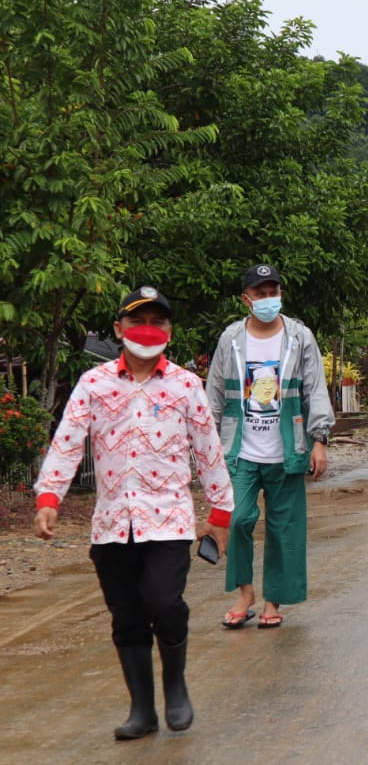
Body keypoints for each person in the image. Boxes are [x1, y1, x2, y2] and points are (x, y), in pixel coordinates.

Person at [33, 287, 233, 739]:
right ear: (118, 329)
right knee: (126, 616)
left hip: (168, 520)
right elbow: (67, 443)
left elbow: (209, 451)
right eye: (137, 321)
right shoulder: (94, 384)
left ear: (170, 331)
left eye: (157, 322)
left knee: (164, 603)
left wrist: (221, 513)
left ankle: (176, 686)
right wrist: (49, 499)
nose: (147, 330)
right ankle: (142, 711)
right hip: (111, 525)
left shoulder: (186, 385)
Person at [206, 264, 334, 630]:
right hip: (239, 451)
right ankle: (244, 593)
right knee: (238, 520)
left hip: (288, 450)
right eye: (259, 294)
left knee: (284, 528)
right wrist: (207, 447)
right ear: (245, 299)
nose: (267, 299)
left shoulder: (299, 337)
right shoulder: (231, 338)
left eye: (272, 292)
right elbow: (214, 394)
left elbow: (315, 389)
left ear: (280, 294)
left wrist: (319, 440)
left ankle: (272, 601)